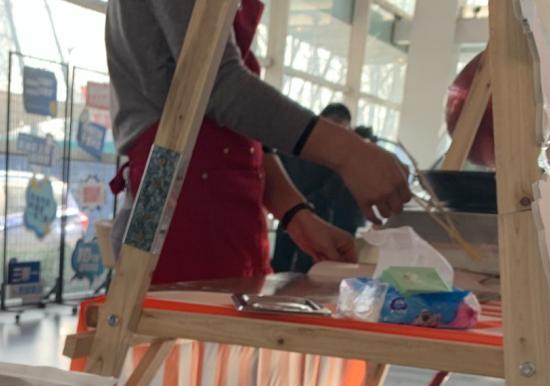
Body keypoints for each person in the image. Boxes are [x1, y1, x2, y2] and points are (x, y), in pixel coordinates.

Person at [106, 0, 411, 285]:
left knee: (224, 326)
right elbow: (218, 86)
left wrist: (296, 215)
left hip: (222, 212)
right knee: (146, 320)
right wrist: (350, 153)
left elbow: (238, 131)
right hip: (160, 180)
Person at [271, 103, 372, 274]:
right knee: (282, 269)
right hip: (292, 215)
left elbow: (344, 203)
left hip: (322, 223)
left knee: (314, 272)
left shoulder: (343, 158)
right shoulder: (294, 146)